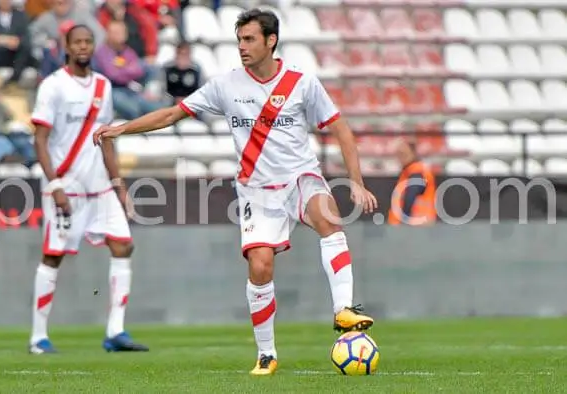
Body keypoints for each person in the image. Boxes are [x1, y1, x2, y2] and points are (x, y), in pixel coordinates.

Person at [93, 9, 377, 376]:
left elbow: (341, 130)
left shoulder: (301, 83)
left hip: (299, 178)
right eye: (239, 40)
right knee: (261, 266)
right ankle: (266, 354)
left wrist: (356, 181)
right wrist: (121, 129)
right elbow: (170, 115)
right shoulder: (225, 86)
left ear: (270, 41)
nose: (242, 47)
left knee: (328, 217)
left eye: (249, 39)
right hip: (257, 191)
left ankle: (344, 308)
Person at [28, 24, 148, 354]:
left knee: (123, 247)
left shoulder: (103, 86)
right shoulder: (52, 86)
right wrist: (54, 185)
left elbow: (106, 137)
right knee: (52, 257)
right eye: (77, 42)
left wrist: (118, 184)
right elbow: (39, 139)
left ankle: (115, 332)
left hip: (99, 187)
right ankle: (38, 337)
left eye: (88, 41)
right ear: (66, 46)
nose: (83, 46)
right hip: (66, 186)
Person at [0, 0, 34, 84]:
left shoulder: (21, 16)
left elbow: (26, 36)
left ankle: (14, 80)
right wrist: (6, 40)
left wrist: (17, 41)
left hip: (16, 54)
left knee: (25, 46)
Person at [388, 139, 436, 226]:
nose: (401, 157)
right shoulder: (409, 171)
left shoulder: (416, 171)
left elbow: (410, 195)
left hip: (415, 225)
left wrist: (404, 221)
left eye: (403, 154)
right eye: (399, 154)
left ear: (413, 153)